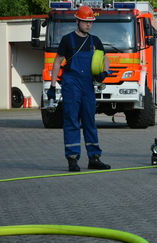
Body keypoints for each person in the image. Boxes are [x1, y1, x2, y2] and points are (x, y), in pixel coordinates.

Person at [47, 6, 111, 172]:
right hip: (71, 83)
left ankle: (94, 158)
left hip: (87, 85)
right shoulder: (67, 40)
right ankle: (73, 159)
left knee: (90, 121)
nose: (88, 25)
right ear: (77, 21)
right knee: (72, 121)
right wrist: (52, 86)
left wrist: (104, 72)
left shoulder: (95, 41)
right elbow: (56, 63)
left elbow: (105, 58)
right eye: (85, 22)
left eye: (91, 22)